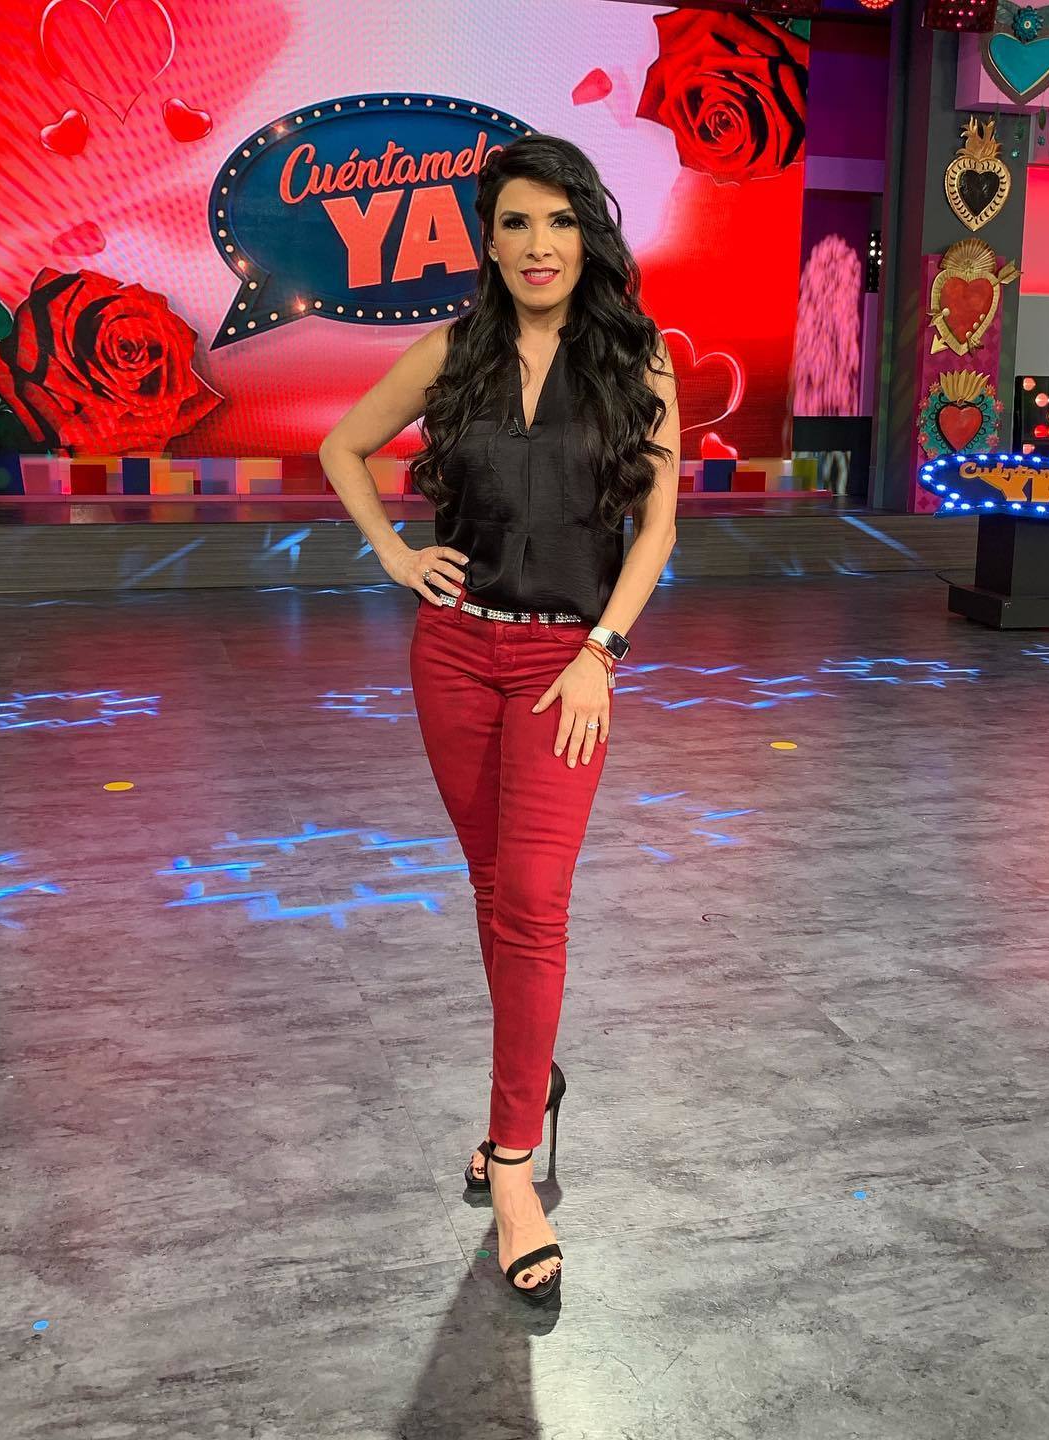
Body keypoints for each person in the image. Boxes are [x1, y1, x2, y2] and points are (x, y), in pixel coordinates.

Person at [319, 133, 679, 1307]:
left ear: (589, 235)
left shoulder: (639, 360)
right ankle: (531, 1085)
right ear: (488, 239)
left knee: (531, 896)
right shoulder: (451, 352)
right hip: (454, 654)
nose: (539, 244)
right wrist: (393, 555)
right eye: (517, 222)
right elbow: (341, 446)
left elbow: (658, 530)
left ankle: (513, 1164)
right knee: (494, 893)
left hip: (567, 664)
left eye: (561, 221)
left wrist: (602, 654)